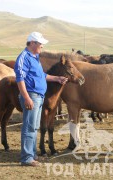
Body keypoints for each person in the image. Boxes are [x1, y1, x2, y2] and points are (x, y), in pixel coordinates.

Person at [14, 32, 68, 167]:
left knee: (34, 126)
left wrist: (56, 78)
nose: (42, 46)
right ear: (32, 43)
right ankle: (26, 158)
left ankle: (32, 155)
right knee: (29, 127)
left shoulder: (35, 57)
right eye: (40, 44)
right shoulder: (23, 58)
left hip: (39, 96)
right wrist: (26, 97)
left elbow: (41, 75)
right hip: (31, 96)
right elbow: (20, 79)